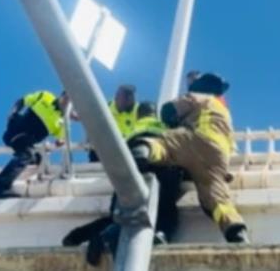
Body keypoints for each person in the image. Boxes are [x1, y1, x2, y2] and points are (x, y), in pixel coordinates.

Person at [130, 73, 249, 243]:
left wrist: (173, 121)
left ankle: (143, 152)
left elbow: (168, 111)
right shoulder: (225, 113)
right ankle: (235, 229)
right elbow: (231, 147)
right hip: (218, 155)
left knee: (165, 144)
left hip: (195, 138)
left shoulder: (197, 96)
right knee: (216, 196)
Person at [64, 101, 184, 265]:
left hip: (132, 165)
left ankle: (85, 236)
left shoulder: (132, 129)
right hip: (161, 162)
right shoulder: (165, 124)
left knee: (119, 214)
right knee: (166, 206)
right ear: (155, 113)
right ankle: (163, 233)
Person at [0, 90, 75, 199]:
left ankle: (21, 165)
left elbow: (60, 140)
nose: (67, 103)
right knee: (27, 155)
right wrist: (12, 113)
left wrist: (60, 142)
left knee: (37, 158)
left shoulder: (62, 122)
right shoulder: (46, 96)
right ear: (61, 95)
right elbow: (22, 101)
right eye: (67, 98)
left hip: (27, 141)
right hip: (18, 129)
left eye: (70, 103)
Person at [88, 84, 139, 162]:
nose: (130, 101)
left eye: (131, 98)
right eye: (125, 97)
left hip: (128, 147)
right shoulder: (105, 108)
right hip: (107, 146)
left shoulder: (139, 110)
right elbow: (94, 125)